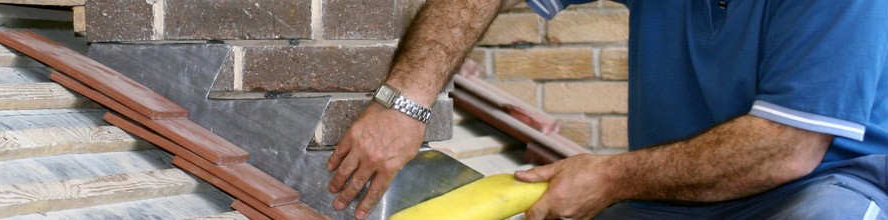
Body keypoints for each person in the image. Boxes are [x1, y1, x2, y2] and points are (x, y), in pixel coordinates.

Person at [326, 0, 888, 219]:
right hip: (680, 195)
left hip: (824, 186)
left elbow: (785, 150)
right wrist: (405, 103)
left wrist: (611, 175)